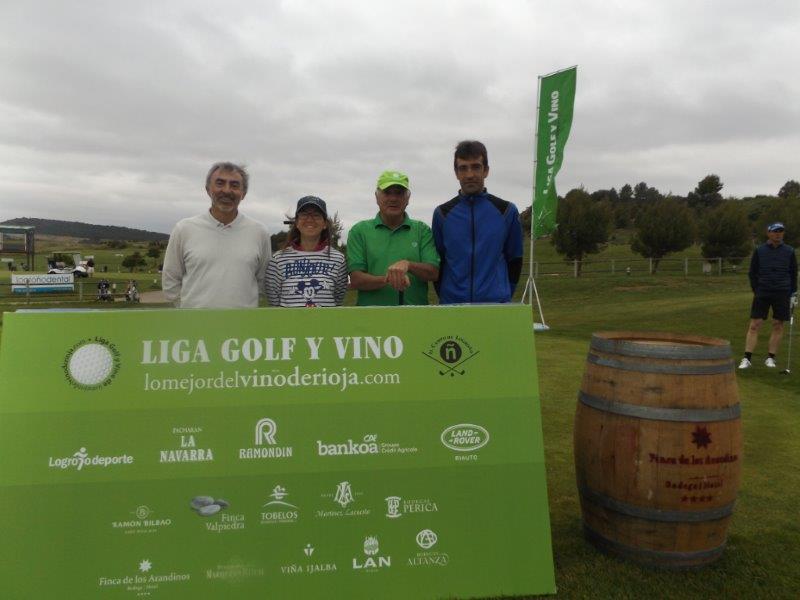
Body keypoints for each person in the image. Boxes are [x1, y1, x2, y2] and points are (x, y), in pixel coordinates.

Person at [162, 162, 271, 309]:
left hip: (243, 327)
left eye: (234, 185)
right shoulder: (184, 229)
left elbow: (262, 281)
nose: (227, 190)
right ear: (208, 189)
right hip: (196, 326)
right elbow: (171, 280)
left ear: (243, 193)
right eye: (220, 183)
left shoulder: (260, 232)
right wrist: (188, 312)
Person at [432, 140, 523, 304]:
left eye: (476, 167)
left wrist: (502, 294)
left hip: (495, 305)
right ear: (456, 173)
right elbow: (439, 261)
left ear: (486, 170)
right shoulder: (442, 214)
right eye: (463, 168)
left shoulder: (506, 211)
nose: (469, 175)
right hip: (452, 305)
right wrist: (447, 295)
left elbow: (515, 259)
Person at [347, 170, 439, 306]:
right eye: (387, 192)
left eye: (399, 193)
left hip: (416, 318)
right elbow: (356, 279)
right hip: (370, 319)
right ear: (377, 197)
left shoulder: (422, 230)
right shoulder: (359, 231)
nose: (393, 198)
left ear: (407, 198)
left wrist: (408, 264)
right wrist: (390, 279)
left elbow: (433, 272)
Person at [265, 196, 348, 307]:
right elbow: (273, 301)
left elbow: (338, 298)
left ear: (324, 224)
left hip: (326, 324)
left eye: (316, 215)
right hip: (289, 324)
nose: (310, 219)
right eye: (304, 214)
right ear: (297, 222)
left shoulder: (338, 260)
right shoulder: (278, 260)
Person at [739, 222, 798, 369]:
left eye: (781, 231)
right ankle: (747, 358)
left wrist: (793, 293)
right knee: (755, 324)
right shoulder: (760, 250)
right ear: (769, 233)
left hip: (782, 291)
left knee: (778, 324)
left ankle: (770, 358)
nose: (778, 234)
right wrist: (756, 289)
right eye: (775, 231)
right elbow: (752, 273)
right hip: (763, 291)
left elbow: (793, 273)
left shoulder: (789, 251)